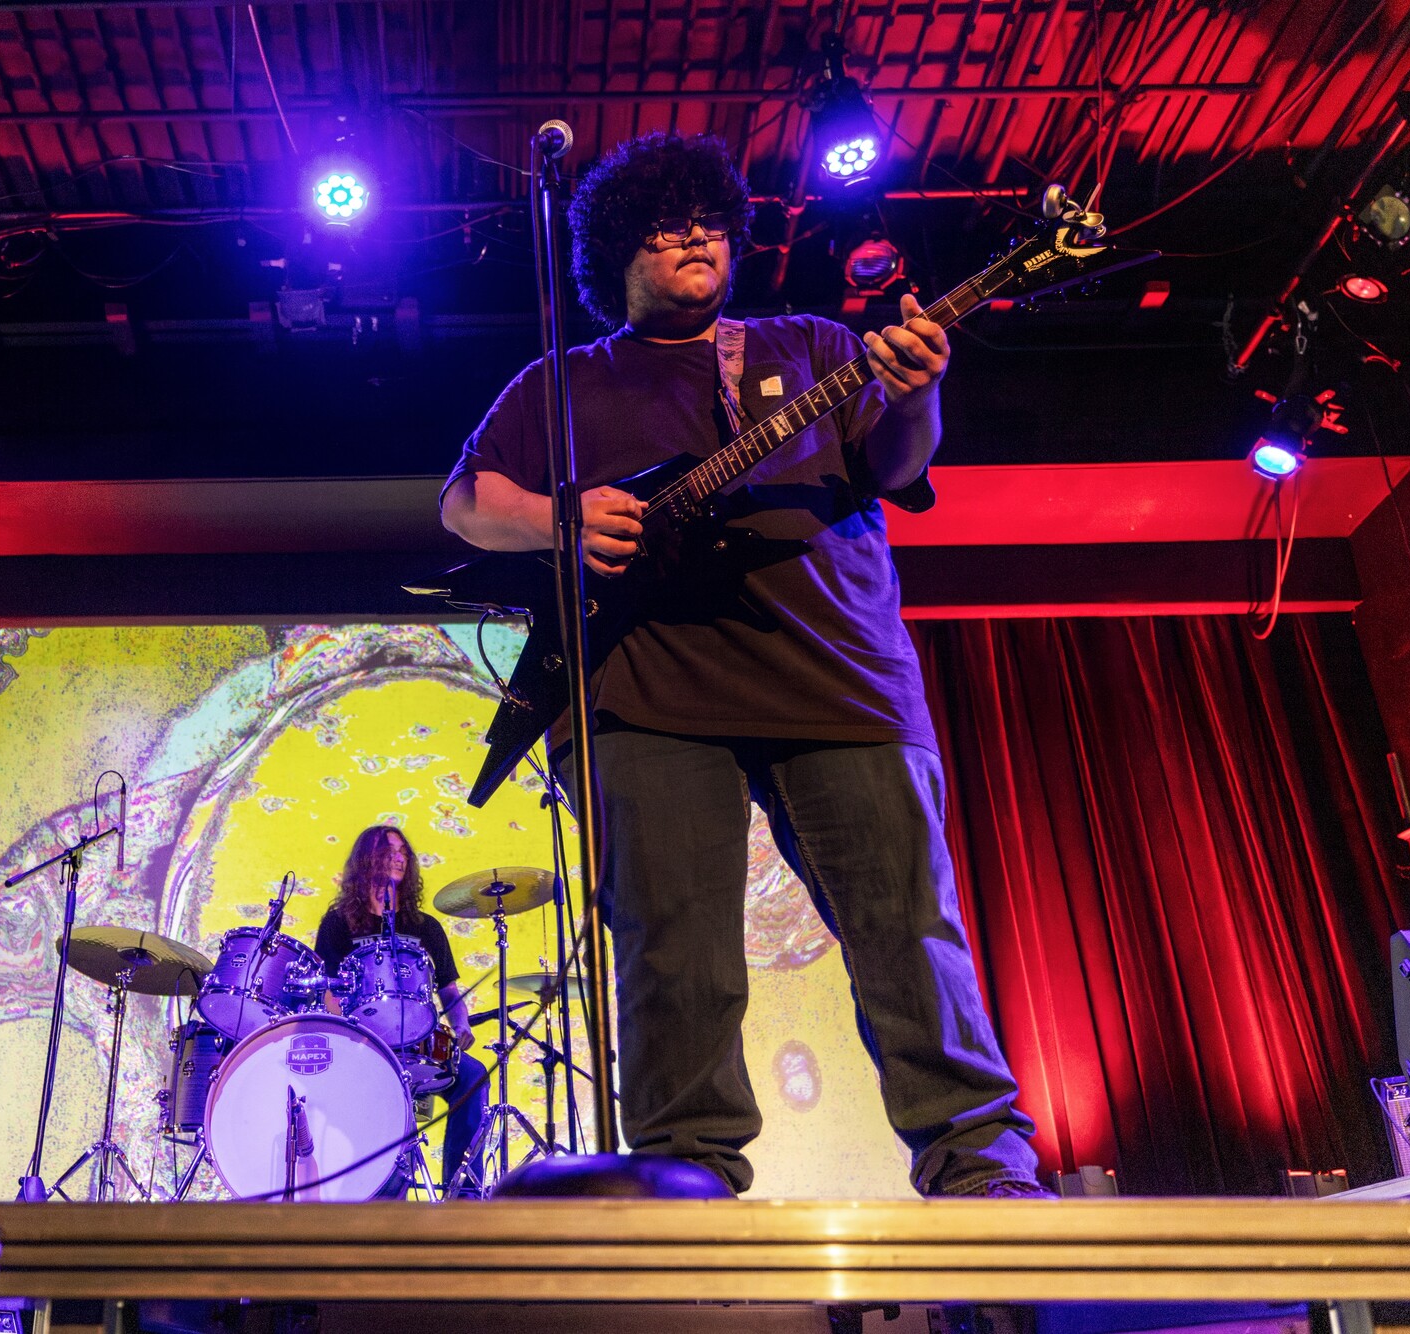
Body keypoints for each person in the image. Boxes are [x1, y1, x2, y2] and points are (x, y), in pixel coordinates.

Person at [439, 131, 1049, 1198]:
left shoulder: (811, 342)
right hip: (648, 692)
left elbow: (896, 463)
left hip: (839, 677)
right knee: (673, 953)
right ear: (615, 247)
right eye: (669, 222)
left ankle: (981, 1168)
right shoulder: (560, 383)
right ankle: (686, 1179)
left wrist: (914, 392)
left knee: (906, 930)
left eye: (712, 221)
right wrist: (559, 515)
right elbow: (462, 500)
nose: (696, 235)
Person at [312, 825, 489, 1193]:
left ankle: (464, 1194)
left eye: (403, 851)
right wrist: (346, 1034)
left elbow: (449, 988)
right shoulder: (338, 923)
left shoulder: (425, 927)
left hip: (419, 1042)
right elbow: (329, 988)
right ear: (366, 859)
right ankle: (386, 1204)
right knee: (392, 1104)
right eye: (388, 849)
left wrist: (461, 1025)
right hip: (366, 1044)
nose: (398, 856)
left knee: (473, 1077)